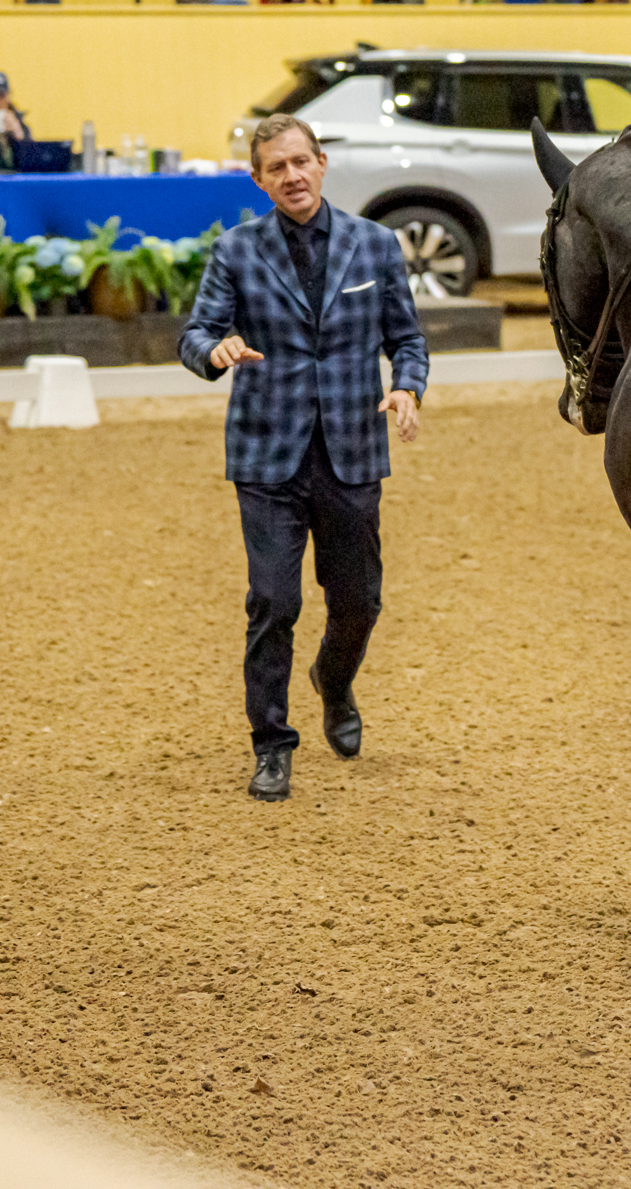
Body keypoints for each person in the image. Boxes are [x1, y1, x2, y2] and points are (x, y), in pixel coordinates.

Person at [179, 114, 428, 802]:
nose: (291, 176)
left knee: (358, 602)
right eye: (275, 168)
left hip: (352, 449)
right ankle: (271, 744)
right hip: (266, 454)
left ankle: (335, 681)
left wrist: (407, 387)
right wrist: (214, 350)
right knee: (273, 601)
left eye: (300, 162)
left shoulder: (375, 246)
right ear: (258, 180)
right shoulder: (235, 251)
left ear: (320, 162)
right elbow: (196, 332)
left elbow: (407, 338)